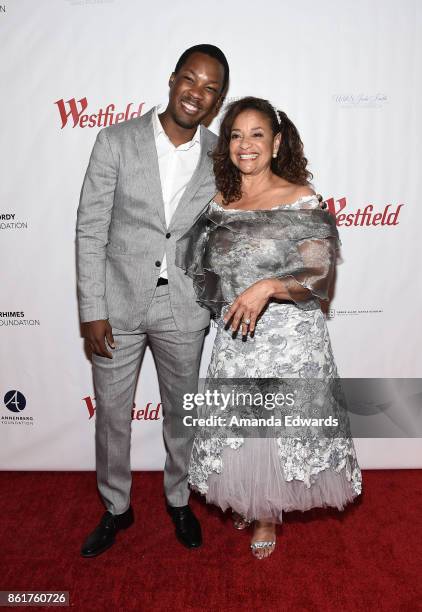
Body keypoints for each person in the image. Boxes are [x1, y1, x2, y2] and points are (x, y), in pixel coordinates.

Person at [176, 97, 362, 559]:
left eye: (257, 134)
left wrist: (265, 288)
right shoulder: (219, 200)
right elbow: (206, 267)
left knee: (278, 426)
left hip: (289, 339)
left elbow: (319, 277)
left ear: (276, 142)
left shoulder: (301, 197)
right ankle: (251, 496)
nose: (245, 145)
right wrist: (224, 301)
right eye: (236, 135)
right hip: (238, 336)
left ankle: (267, 516)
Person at [76, 44, 229, 557]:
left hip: (182, 307)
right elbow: (91, 230)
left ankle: (178, 499)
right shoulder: (115, 140)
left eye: (210, 88)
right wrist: (91, 309)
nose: (197, 93)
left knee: (181, 414)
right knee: (114, 415)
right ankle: (116, 507)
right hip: (115, 305)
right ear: (171, 79)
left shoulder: (220, 156)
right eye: (190, 79)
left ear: (218, 99)